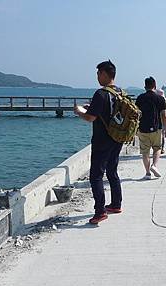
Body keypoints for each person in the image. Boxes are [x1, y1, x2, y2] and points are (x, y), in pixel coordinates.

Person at [74, 60, 123, 225]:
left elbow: (90, 118)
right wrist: (92, 108)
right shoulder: (120, 92)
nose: (96, 77)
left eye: (98, 73)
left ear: (104, 74)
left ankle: (100, 211)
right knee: (112, 171)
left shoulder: (101, 93)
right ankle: (116, 204)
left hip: (102, 140)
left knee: (96, 176)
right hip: (117, 138)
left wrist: (79, 112)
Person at [135, 77, 166, 179]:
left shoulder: (140, 98)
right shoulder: (160, 99)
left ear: (145, 87)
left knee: (145, 152)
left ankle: (147, 173)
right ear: (155, 86)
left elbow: (136, 114)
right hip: (156, 128)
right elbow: (164, 115)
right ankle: (154, 165)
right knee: (157, 148)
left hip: (143, 129)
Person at [155, 88, 166, 154]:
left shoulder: (154, 101)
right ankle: (162, 148)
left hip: (155, 121)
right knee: (162, 135)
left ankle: (157, 148)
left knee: (156, 135)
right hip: (162, 120)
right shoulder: (164, 102)